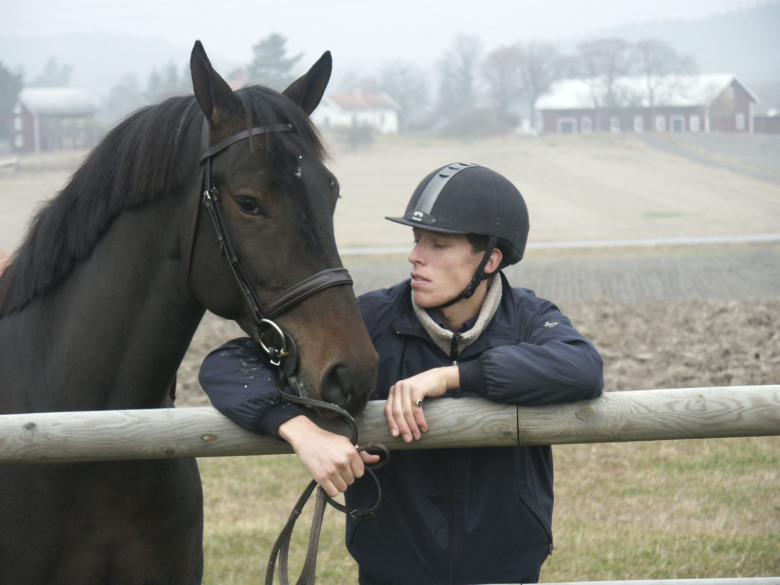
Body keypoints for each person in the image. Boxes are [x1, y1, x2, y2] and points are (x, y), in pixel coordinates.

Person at [199, 162, 604, 584]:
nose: (415, 256)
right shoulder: (368, 322)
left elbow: (583, 368)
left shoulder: (530, 320)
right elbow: (229, 363)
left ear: (491, 260)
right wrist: (302, 432)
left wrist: (451, 377)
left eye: (438, 245)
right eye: (416, 240)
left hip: (507, 572)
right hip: (390, 572)